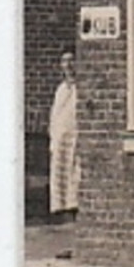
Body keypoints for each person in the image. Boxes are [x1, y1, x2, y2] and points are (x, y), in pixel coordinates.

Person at [48, 51, 80, 221]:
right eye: (64, 61)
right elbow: (55, 114)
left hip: (75, 136)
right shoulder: (61, 89)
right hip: (61, 136)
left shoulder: (80, 88)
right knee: (60, 172)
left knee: (74, 171)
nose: (68, 66)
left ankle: (73, 206)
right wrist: (54, 137)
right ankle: (61, 208)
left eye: (71, 61)